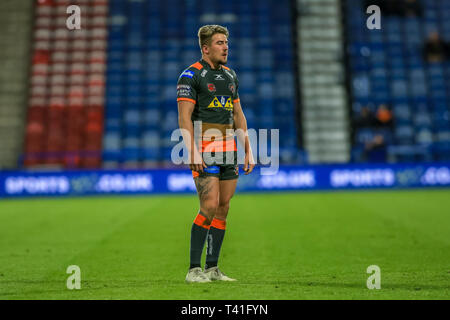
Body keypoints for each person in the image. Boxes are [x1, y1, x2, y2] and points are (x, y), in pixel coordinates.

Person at [176, 25, 255, 283]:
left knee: (223, 208)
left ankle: (212, 269)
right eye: (220, 43)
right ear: (206, 47)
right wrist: (192, 151)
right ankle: (192, 270)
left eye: (226, 43)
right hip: (205, 146)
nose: (225, 47)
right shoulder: (190, 76)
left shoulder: (231, 75)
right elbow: (184, 118)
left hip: (229, 148)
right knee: (208, 206)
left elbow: (238, 115)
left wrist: (247, 149)